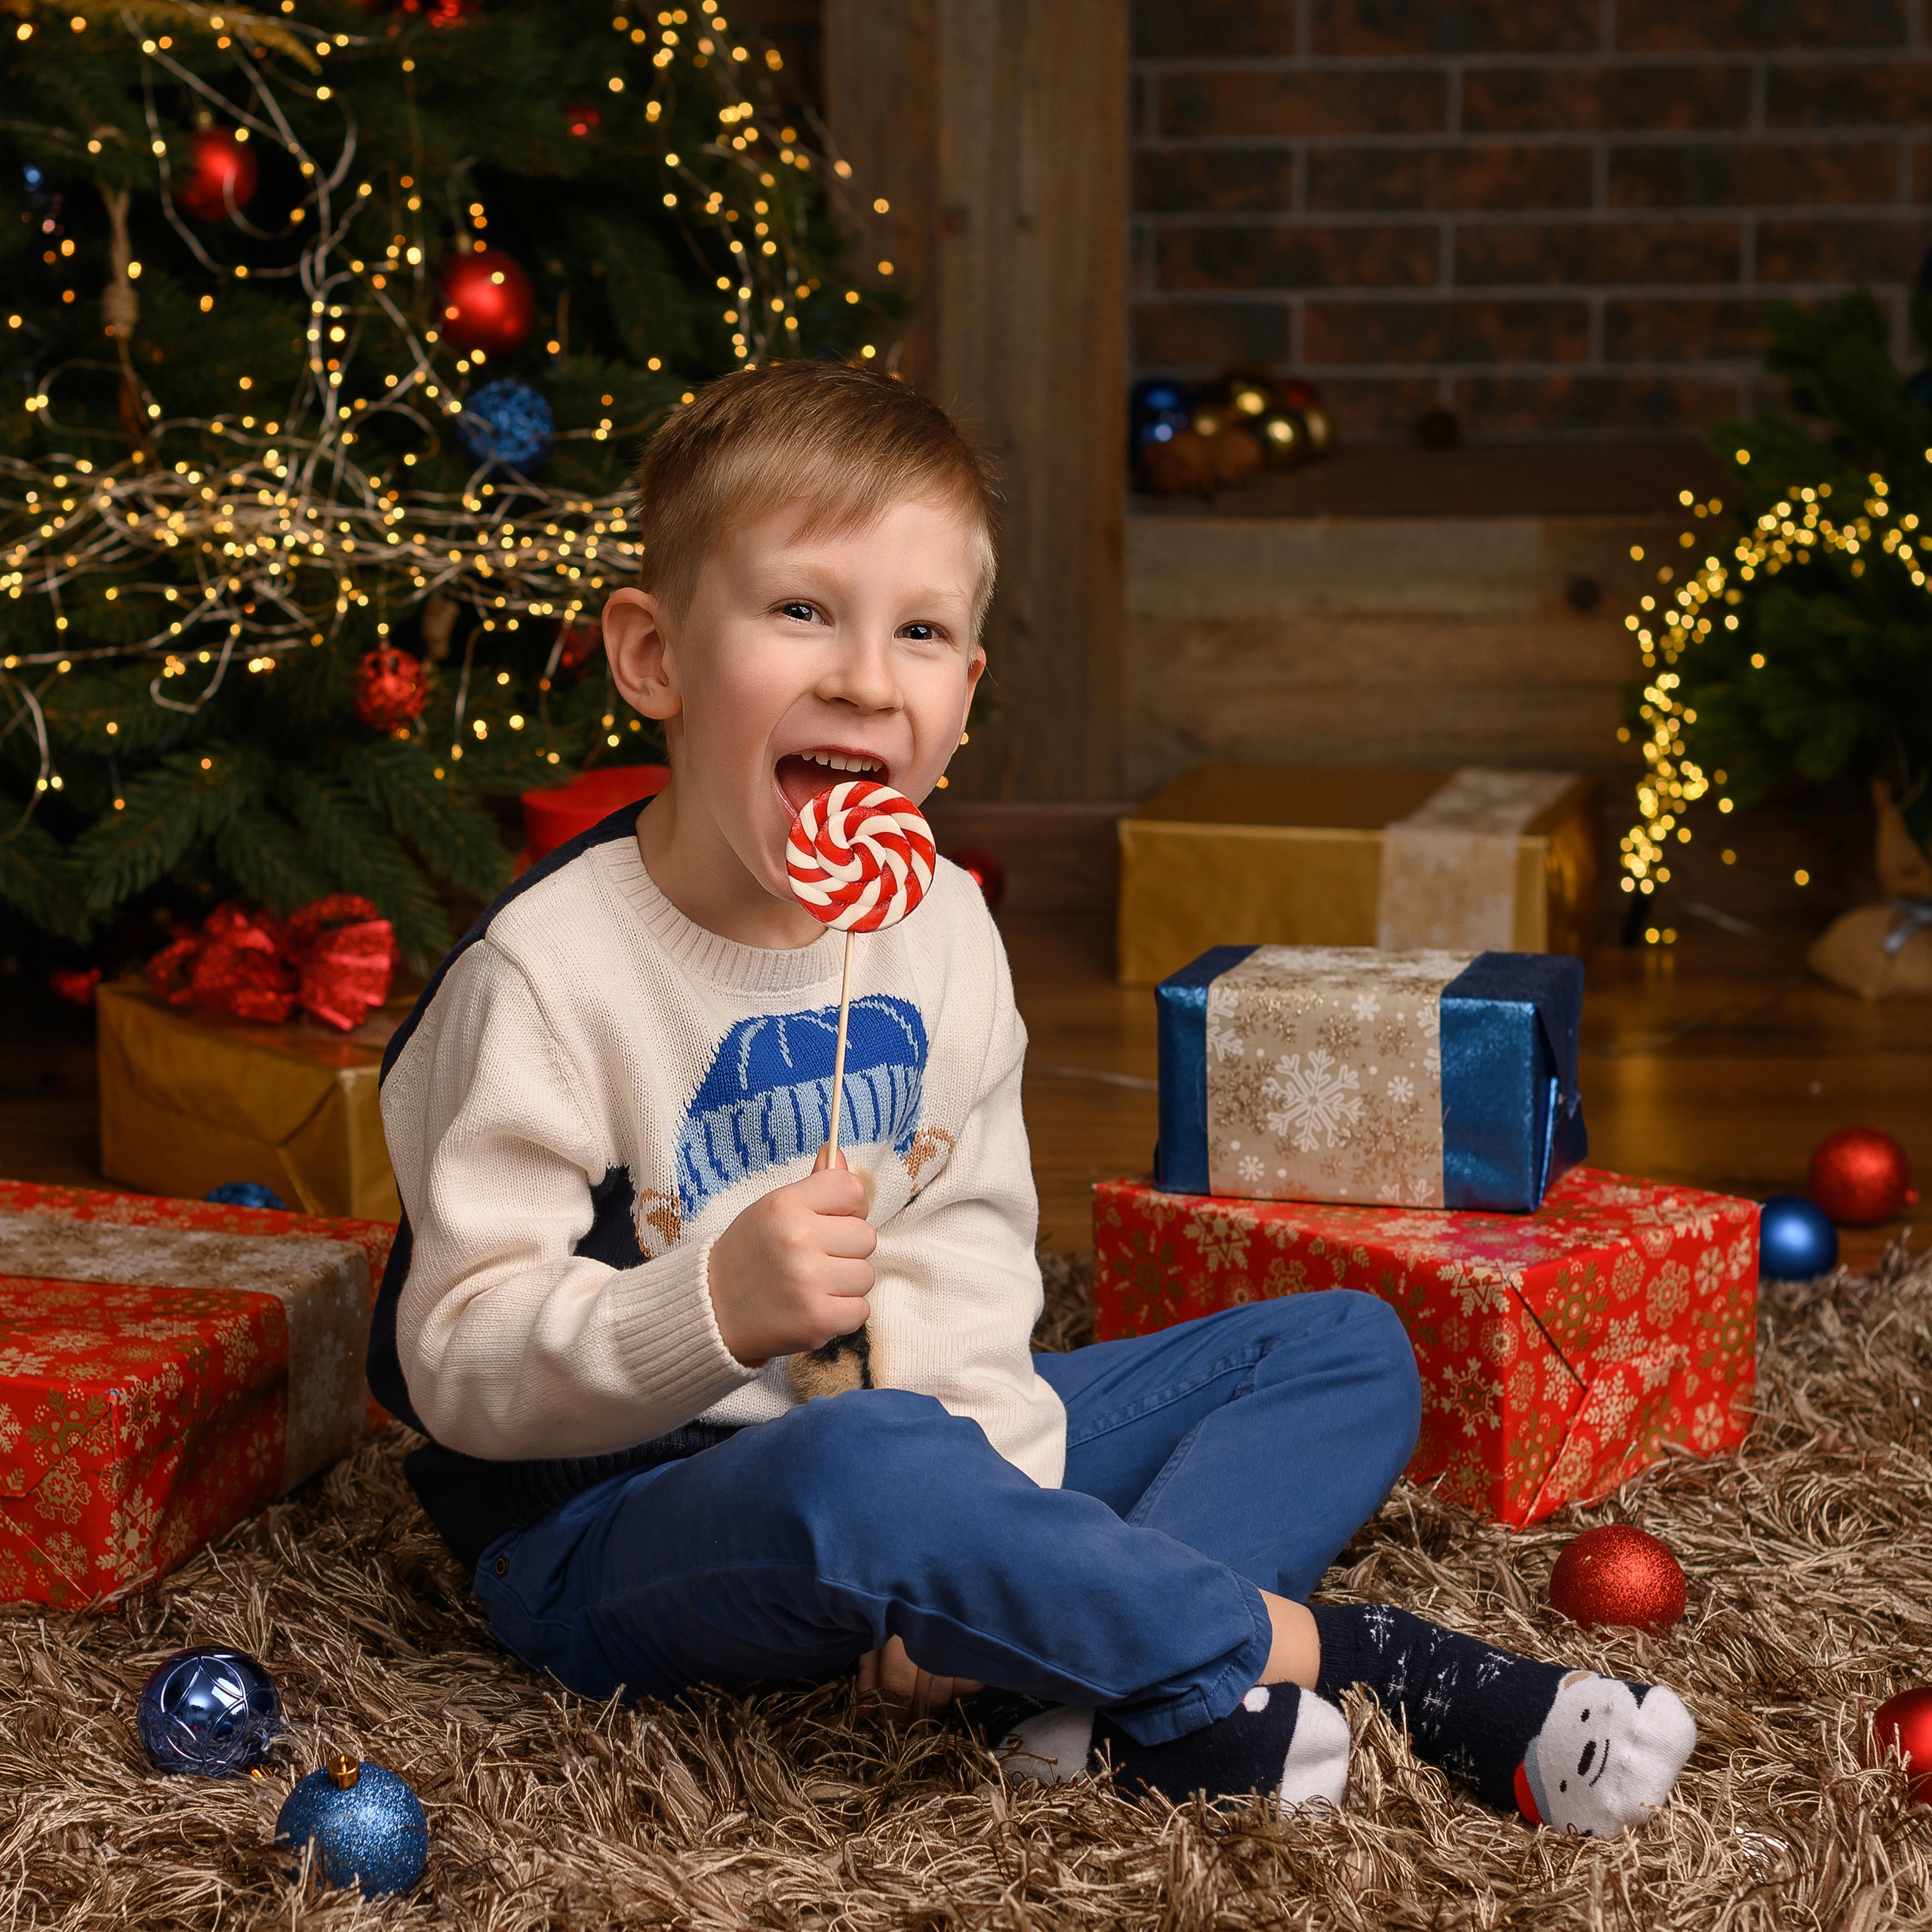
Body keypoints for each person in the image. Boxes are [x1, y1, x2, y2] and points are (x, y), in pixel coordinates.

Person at [368, 361, 1694, 1834]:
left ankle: (1073, 1679)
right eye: (800, 608)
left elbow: (964, 1253)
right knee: (868, 1460)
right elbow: (452, 1358)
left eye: (920, 631)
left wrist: (967, 1539)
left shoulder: (935, 921)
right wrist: (711, 1308)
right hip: (608, 1517)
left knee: (1344, 1348)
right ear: (652, 655)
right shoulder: (546, 974)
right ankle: (1362, 1660)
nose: (864, 676)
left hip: (900, 1452)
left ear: (962, 698)